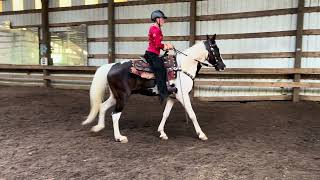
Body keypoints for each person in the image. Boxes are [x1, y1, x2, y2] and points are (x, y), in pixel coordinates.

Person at [144, 10, 177, 102]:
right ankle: (162, 93)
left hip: (153, 53)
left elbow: (157, 43)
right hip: (152, 54)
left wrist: (165, 46)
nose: (164, 21)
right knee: (161, 69)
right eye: (162, 19)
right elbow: (158, 45)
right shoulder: (155, 29)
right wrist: (167, 46)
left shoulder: (155, 28)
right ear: (157, 19)